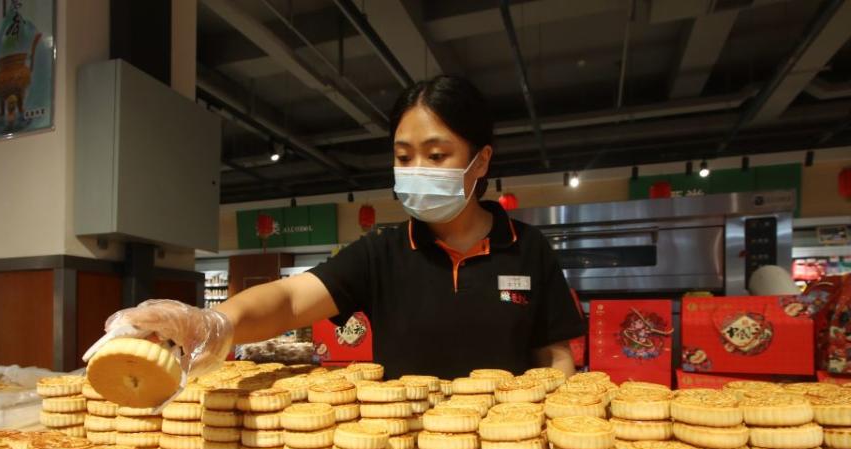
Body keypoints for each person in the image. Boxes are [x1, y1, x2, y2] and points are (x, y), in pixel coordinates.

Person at [101, 75, 584, 379]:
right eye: (403, 156)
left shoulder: (529, 248)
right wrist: (214, 321)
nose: (417, 167)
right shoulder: (383, 253)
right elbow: (290, 300)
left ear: (480, 163)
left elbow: (554, 356)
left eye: (436, 155)